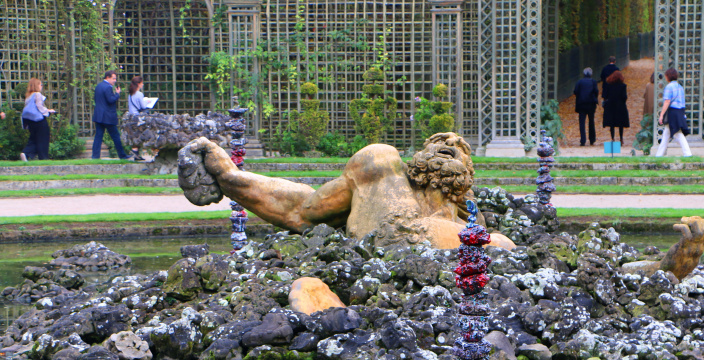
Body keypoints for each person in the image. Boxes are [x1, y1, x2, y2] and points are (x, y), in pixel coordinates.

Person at [177, 132, 515, 250]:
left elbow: (501, 249)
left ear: (468, 176)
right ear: (419, 158)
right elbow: (301, 210)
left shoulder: (473, 222)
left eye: (460, 147)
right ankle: (228, 177)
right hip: (381, 245)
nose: (450, 142)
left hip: (421, 258)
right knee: (379, 155)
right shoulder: (382, 172)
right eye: (439, 141)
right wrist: (228, 176)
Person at [91, 70, 131, 160]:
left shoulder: (98, 86)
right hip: (108, 116)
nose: (115, 81)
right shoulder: (108, 87)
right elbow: (110, 100)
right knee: (115, 136)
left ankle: (95, 156)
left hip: (99, 116)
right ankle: (122, 155)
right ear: (107, 77)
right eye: (113, 78)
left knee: (98, 136)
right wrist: (117, 94)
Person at [656, 67, 692, 157]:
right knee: (666, 134)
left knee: (677, 133)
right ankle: (659, 155)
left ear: (668, 76)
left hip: (672, 112)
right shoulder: (680, 87)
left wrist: (661, 115)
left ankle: (688, 154)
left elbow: (667, 101)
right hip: (680, 111)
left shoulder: (669, 87)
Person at [20, 78, 55, 161]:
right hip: (39, 120)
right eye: (40, 84)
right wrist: (48, 112)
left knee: (33, 139)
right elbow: (40, 107)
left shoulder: (28, 96)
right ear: (36, 85)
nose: (41, 86)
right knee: (43, 139)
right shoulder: (37, 94)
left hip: (30, 121)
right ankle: (43, 157)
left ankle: (26, 152)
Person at [573, 67, 599, 146]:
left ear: (583, 74)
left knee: (582, 122)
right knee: (591, 121)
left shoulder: (580, 82)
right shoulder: (593, 82)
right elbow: (596, 91)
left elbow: (575, 91)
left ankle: (583, 140)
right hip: (591, 104)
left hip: (581, 104)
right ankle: (592, 139)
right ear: (591, 74)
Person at [602, 70, 629, 144]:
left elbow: (605, 96)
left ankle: (612, 138)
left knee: (612, 123)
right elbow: (624, 97)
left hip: (610, 106)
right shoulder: (623, 86)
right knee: (621, 124)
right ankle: (621, 138)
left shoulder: (609, 85)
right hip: (620, 106)